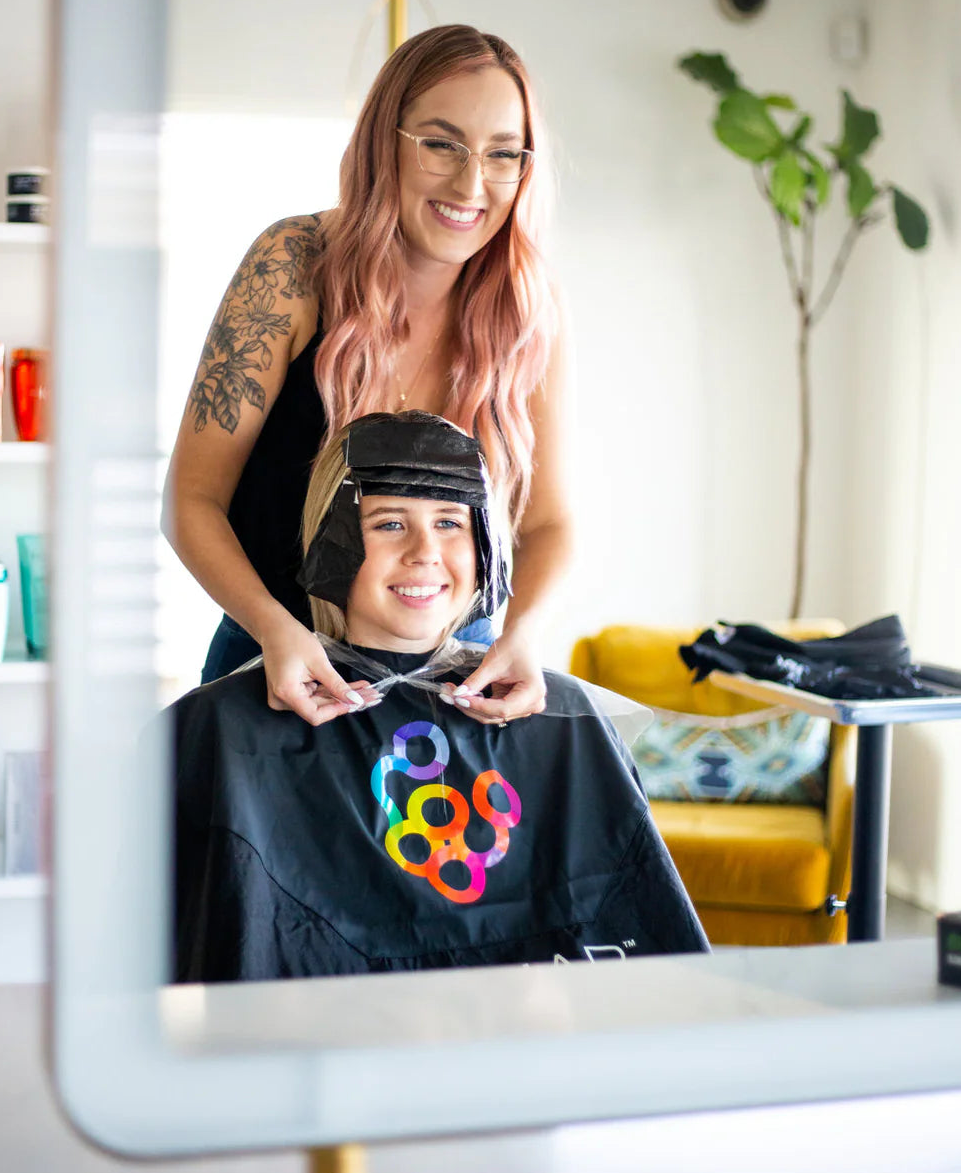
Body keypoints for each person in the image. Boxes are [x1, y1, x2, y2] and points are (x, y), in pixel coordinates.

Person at [172, 413, 709, 984]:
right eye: (389, 524)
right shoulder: (226, 727)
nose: (426, 551)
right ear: (331, 543)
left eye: (451, 522)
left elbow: (644, 950)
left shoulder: (563, 718)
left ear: (486, 547)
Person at [161, 24, 571, 726]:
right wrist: (274, 630)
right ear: (387, 141)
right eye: (441, 144)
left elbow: (551, 524)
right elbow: (190, 501)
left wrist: (520, 634)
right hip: (278, 667)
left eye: (503, 154)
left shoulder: (529, 308)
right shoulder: (292, 265)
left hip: (451, 687)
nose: (471, 184)